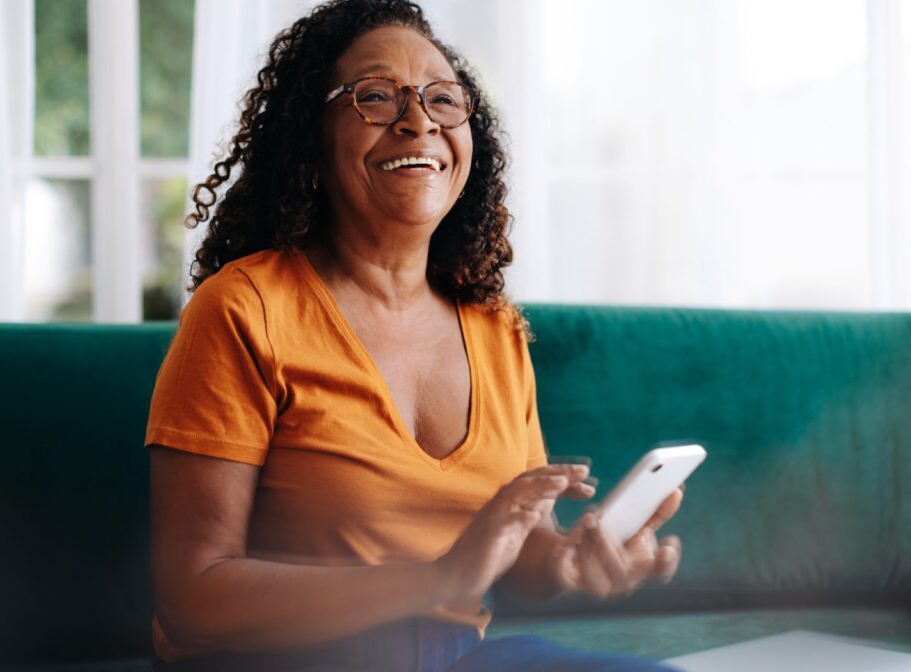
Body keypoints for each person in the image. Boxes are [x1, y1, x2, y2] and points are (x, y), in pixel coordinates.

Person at [145, 1, 685, 669]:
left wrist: (572, 559)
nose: (417, 119)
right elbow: (191, 596)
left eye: (442, 99)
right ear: (311, 140)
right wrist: (436, 579)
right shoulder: (244, 308)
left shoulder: (493, 329)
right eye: (375, 97)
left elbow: (521, 554)